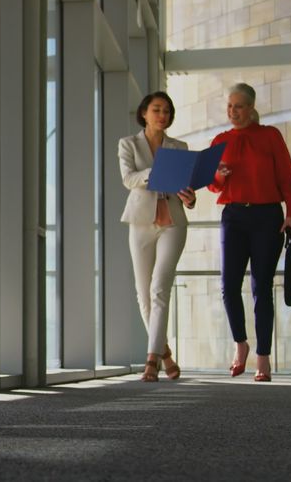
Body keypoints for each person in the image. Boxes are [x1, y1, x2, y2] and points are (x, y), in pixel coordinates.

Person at [208, 83, 291, 382]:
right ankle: (241, 344)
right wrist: (219, 176)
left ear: (250, 108)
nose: (232, 112)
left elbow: (287, 175)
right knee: (229, 285)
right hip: (233, 216)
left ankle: (263, 357)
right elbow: (211, 185)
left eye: (238, 106)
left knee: (262, 288)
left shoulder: (270, 136)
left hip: (267, 216)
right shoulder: (220, 140)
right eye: (229, 106)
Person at [118, 91, 196, 382]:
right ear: (144, 113)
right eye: (157, 109)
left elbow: (186, 191)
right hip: (140, 222)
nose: (162, 115)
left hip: (173, 222)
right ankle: (165, 353)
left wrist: (189, 198)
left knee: (160, 289)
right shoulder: (128, 144)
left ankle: (151, 361)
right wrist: (158, 171)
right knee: (144, 295)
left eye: (167, 111)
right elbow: (129, 179)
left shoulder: (180, 147)